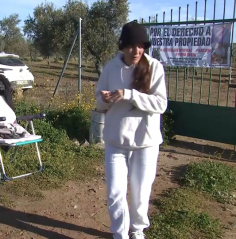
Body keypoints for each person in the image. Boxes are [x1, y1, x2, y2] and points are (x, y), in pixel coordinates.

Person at [94, 21, 168, 239]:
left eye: (140, 46)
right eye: (131, 46)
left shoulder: (154, 68)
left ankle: (137, 230)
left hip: (146, 143)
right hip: (116, 142)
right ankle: (119, 234)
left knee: (140, 192)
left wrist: (129, 94)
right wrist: (105, 99)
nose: (136, 51)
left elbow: (160, 104)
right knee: (115, 192)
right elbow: (99, 101)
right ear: (122, 46)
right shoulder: (110, 68)